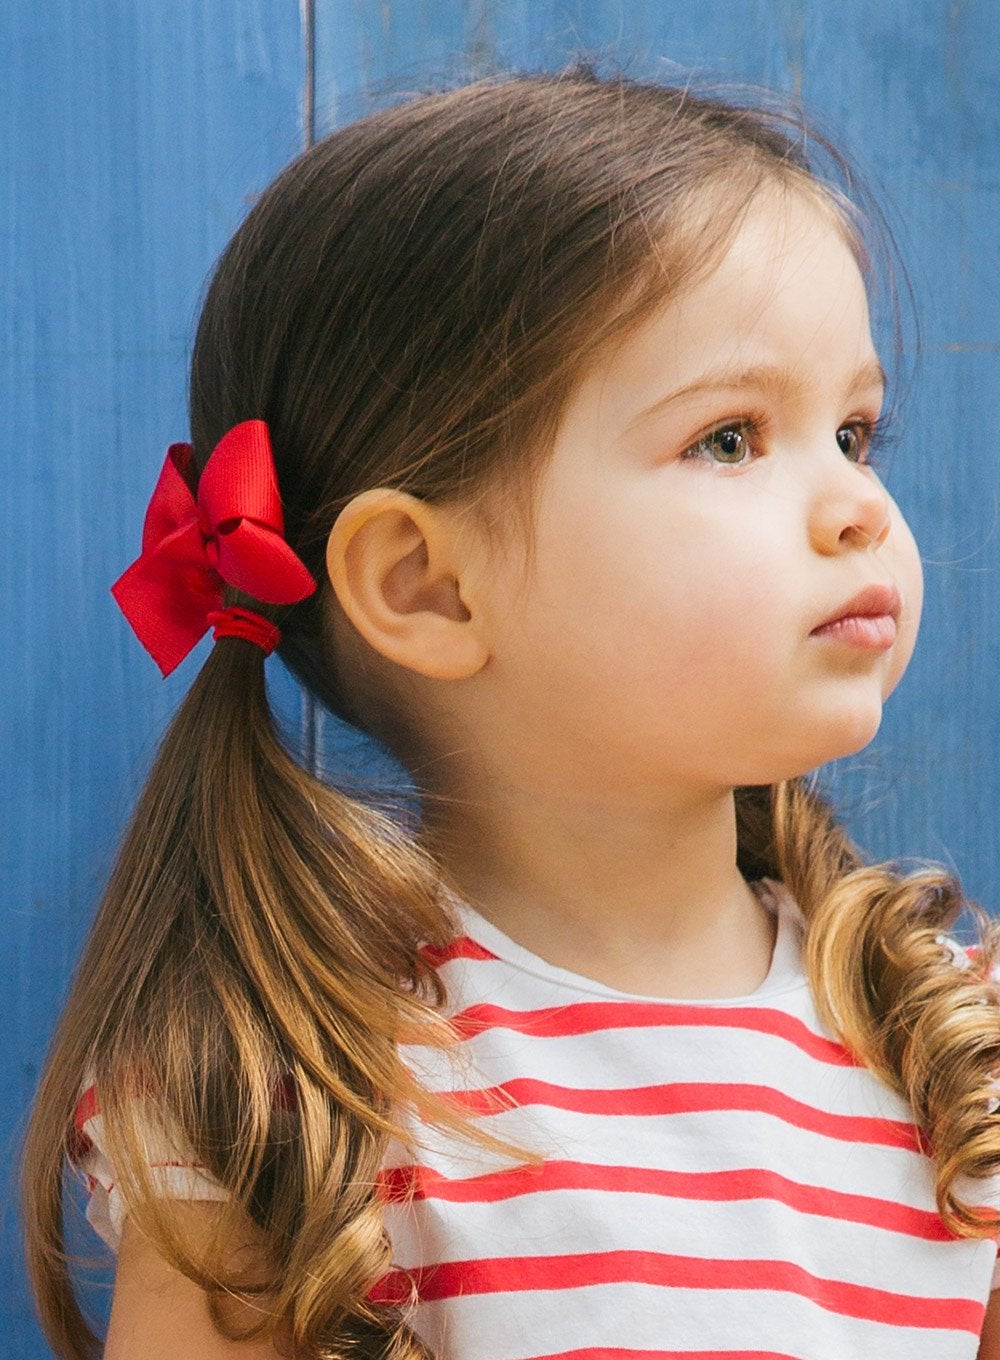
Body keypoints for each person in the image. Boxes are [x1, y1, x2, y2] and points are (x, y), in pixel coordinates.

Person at [19, 69, 1000, 1360]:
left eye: (855, 433)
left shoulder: (947, 1046)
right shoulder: (277, 1108)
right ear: (427, 586)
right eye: (729, 439)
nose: (857, 508)